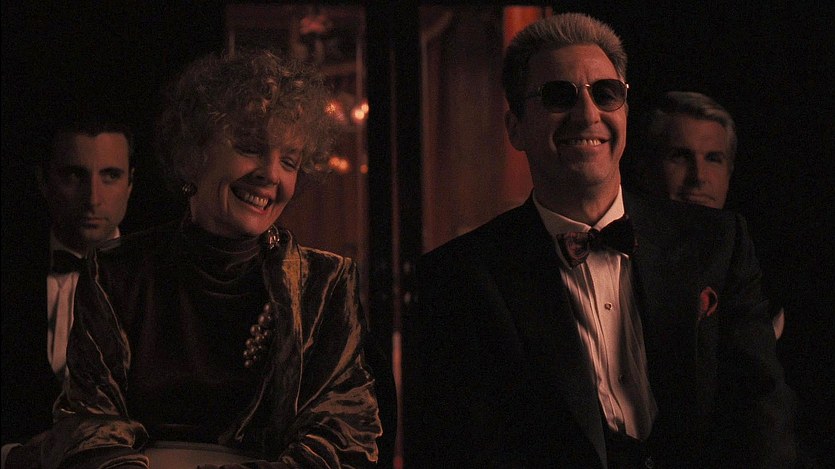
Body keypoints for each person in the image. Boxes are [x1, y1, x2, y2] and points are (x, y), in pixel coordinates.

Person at [404, 12, 795, 468]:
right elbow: (461, 450)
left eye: (605, 93)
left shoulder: (717, 242)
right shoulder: (458, 277)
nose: (588, 114)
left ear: (624, 112)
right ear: (515, 127)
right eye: (559, 95)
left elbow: (762, 414)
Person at [6, 49, 382, 468]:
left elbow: (344, 432)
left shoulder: (326, 283)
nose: (271, 174)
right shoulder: (116, 271)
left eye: (289, 162)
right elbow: (89, 423)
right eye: (251, 148)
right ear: (194, 152)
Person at [1, 110, 135, 459]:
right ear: (43, 181)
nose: (93, 198)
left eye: (110, 175)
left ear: (130, 184)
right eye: (75, 175)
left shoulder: (160, 282)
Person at [637, 90, 785, 338]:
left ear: (729, 172)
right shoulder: (622, 258)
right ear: (645, 169)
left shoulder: (761, 273)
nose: (698, 176)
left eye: (713, 159)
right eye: (680, 157)